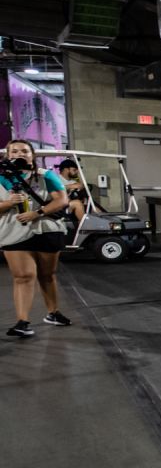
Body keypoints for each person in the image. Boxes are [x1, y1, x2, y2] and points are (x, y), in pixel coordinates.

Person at [1, 139, 72, 337]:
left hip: (46, 230)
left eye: (24, 150)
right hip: (14, 233)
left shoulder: (45, 176)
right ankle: (22, 322)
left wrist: (37, 212)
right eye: (14, 151)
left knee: (47, 275)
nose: (19, 154)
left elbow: (62, 200)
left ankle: (53, 313)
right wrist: (8, 204)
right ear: (8, 155)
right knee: (23, 276)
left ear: (32, 155)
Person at [57, 158, 90, 222]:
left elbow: (81, 185)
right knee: (77, 203)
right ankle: (84, 227)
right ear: (66, 170)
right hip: (59, 206)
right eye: (74, 170)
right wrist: (70, 187)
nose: (76, 172)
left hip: (70, 204)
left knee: (90, 204)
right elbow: (55, 189)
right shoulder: (56, 179)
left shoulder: (73, 181)